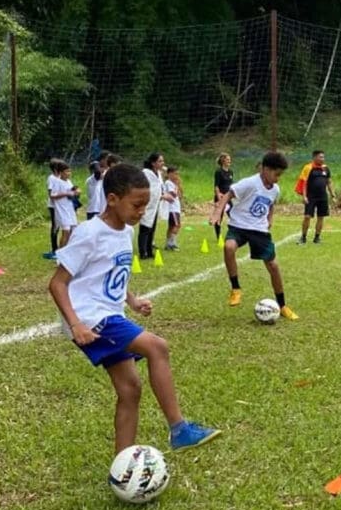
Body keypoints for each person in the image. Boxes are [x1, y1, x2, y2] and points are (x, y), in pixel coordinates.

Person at [48, 163, 221, 453]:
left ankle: (122, 462)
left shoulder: (125, 232)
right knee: (157, 347)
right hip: (90, 317)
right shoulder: (89, 232)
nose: (142, 211)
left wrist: (132, 300)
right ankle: (179, 429)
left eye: (146, 205)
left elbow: (109, 272)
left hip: (109, 314)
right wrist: (76, 324)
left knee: (130, 390)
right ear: (113, 199)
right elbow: (57, 283)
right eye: (137, 204)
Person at [210, 151, 300, 320]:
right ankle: (236, 288)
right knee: (229, 247)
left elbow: (271, 204)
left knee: (273, 266)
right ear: (265, 169)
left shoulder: (275, 189)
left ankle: (283, 306)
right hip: (239, 226)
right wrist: (216, 213)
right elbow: (228, 194)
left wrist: (270, 218)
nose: (278, 178)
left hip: (259, 230)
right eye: (276, 174)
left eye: (280, 175)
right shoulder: (250, 183)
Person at [295, 150, 335, 245]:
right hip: (311, 196)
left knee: (321, 217)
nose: (323, 159)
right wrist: (304, 196)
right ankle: (303, 237)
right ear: (314, 158)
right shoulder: (308, 168)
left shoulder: (325, 168)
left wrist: (333, 195)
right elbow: (304, 183)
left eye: (323, 157)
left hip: (322, 197)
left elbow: (329, 182)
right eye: (320, 157)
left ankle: (317, 237)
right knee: (307, 216)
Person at [138, 153, 164, 260]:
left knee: (152, 228)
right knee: (145, 227)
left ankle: (149, 250)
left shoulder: (158, 173)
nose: (162, 163)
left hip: (155, 204)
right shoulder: (146, 173)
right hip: (147, 203)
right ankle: (142, 252)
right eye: (160, 161)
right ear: (153, 163)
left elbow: (158, 187)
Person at [49, 160, 79, 249]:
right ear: (61, 172)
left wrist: (76, 191)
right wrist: (66, 194)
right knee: (66, 231)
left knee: (72, 231)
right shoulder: (57, 182)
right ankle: (60, 254)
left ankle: (67, 251)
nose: (69, 173)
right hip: (62, 209)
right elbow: (52, 195)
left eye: (69, 171)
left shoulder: (68, 181)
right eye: (66, 171)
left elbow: (72, 190)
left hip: (69, 208)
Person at [44, 159, 63, 259]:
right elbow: (51, 194)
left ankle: (58, 249)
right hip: (53, 206)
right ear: (55, 168)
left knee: (59, 226)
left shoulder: (61, 177)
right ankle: (54, 250)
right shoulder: (51, 178)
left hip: (60, 206)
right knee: (55, 226)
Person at [213, 153, 234, 242]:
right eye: (227, 159)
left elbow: (231, 185)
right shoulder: (218, 172)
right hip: (221, 197)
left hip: (228, 197)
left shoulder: (231, 172)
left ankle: (232, 233)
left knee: (233, 215)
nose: (229, 161)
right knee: (219, 217)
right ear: (223, 161)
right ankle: (218, 236)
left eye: (230, 159)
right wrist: (219, 197)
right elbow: (216, 186)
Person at [85, 151, 110, 221]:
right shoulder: (92, 179)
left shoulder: (104, 174)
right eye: (107, 159)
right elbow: (98, 173)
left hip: (102, 208)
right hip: (94, 209)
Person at [162, 165, 183, 251]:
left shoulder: (174, 183)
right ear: (169, 174)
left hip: (176, 208)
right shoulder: (168, 183)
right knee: (177, 225)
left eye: (177, 174)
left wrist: (178, 186)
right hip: (172, 208)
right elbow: (173, 194)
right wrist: (177, 186)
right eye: (175, 174)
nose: (176, 176)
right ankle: (172, 243)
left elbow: (180, 195)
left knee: (171, 226)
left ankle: (168, 243)